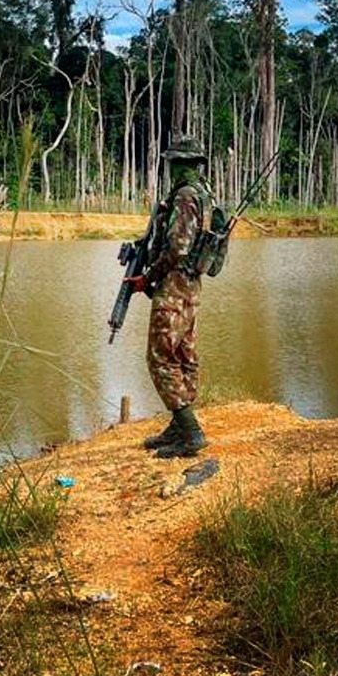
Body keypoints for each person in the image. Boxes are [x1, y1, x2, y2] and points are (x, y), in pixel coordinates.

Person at [132, 138, 212, 458]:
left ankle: (190, 430)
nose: (171, 168)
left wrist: (148, 277)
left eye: (174, 163)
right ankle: (180, 426)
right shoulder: (205, 196)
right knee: (183, 353)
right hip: (191, 288)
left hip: (175, 287)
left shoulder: (185, 197)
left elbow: (177, 249)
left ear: (183, 165)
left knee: (160, 357)